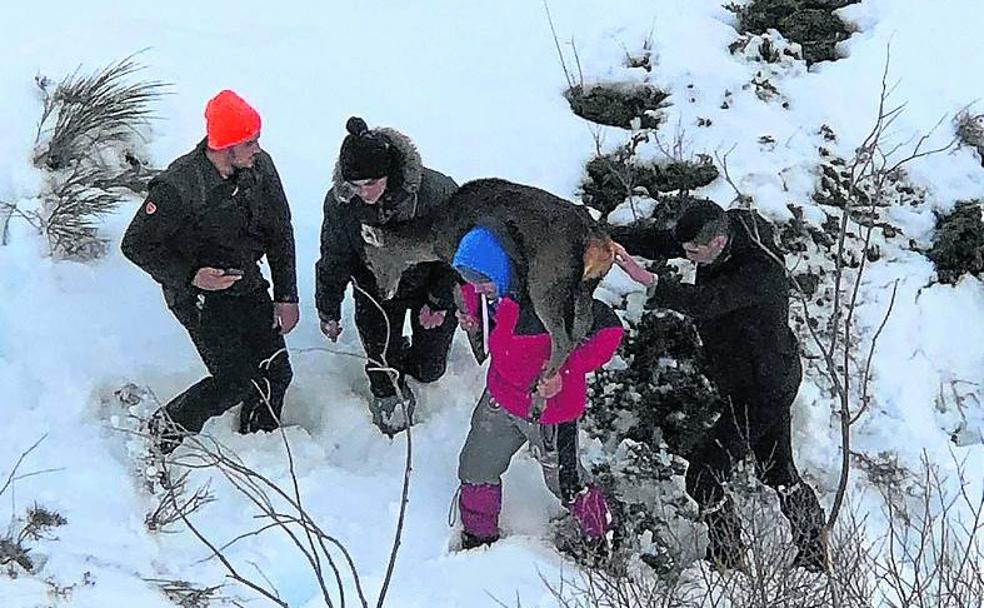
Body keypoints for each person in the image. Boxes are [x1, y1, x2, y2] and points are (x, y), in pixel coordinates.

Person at [610, 200, 827, 571]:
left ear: (718, 241)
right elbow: (662, 242)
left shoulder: (760, 270)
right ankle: (813, 553)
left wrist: (650, 282)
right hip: (752, 377)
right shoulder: (718, 234)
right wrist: (607, 236)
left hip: (764, 385)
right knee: (777, 471)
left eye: (695, 253)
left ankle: (727, 556)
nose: (690, 258)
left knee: (704, 475)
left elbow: (709, 301)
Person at [122, 89, 298, 448]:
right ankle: (160, 437)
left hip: (245, 280)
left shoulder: (258, 168)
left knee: (276, 371)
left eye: (258, 140)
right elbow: (136, 245)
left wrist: (286, 295)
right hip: (198, 295)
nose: (258, 150)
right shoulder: (179, 187)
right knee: (234, 379)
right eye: (250, 143)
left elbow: (280, 229)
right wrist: (191, 276)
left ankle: (258, 445)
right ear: (226, 145)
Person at [451, 224, 624, 551]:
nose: (480, 288)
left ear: (502, 268)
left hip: (552, 412)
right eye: (473, 281)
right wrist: (473, 319)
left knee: (566, 483)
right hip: (500, 399)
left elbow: (609, 330)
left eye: (484, 280)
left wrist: (564, 369)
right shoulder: (484, 289)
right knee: (475, 467)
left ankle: (602, 538)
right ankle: (478, 536)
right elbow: (476, 300)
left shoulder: (548, 297)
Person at [315, 117, 459, 436]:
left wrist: (439, 300)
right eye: (356, 186)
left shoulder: (436, 193)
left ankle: (414, 356)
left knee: (429, 370)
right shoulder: (342, 203)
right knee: (383, 365)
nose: (365, 193)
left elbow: (458, 257)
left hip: (428, 284)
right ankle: (388, 390)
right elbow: (334, 257)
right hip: (375, 287)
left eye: (371, 184)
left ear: (389, 173)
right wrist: (328, 309)